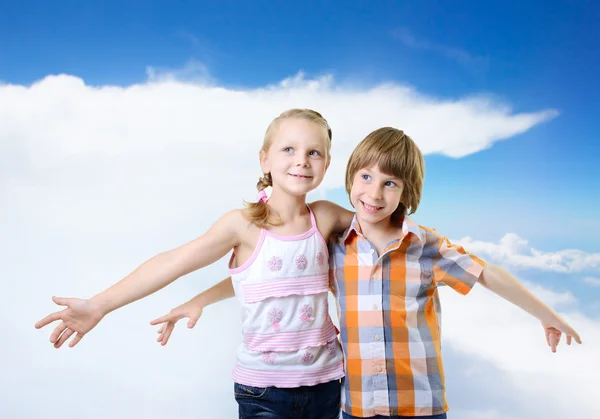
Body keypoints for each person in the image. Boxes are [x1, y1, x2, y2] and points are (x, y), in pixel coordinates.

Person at [155, 127, 582, 419]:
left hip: (421, 407)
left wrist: (546, 313)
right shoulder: (336, 245)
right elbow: (272, 279)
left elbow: (488, 274)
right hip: (356, 407)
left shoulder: (426, 246)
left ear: (407, 193)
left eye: (390, 184)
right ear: (349, 178)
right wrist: (199, 299)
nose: (374, 193)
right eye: (365, 177)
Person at [35, 108, 356, 419]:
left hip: (325, 381)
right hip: (264, 391)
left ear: (326, 165)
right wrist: (99, 305)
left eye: (314, 153)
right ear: (265, 159)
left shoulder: (325, 216)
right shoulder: (243, 225)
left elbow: (381, 227)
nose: (301, 159)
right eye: (289, 149)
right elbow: (173, 261)